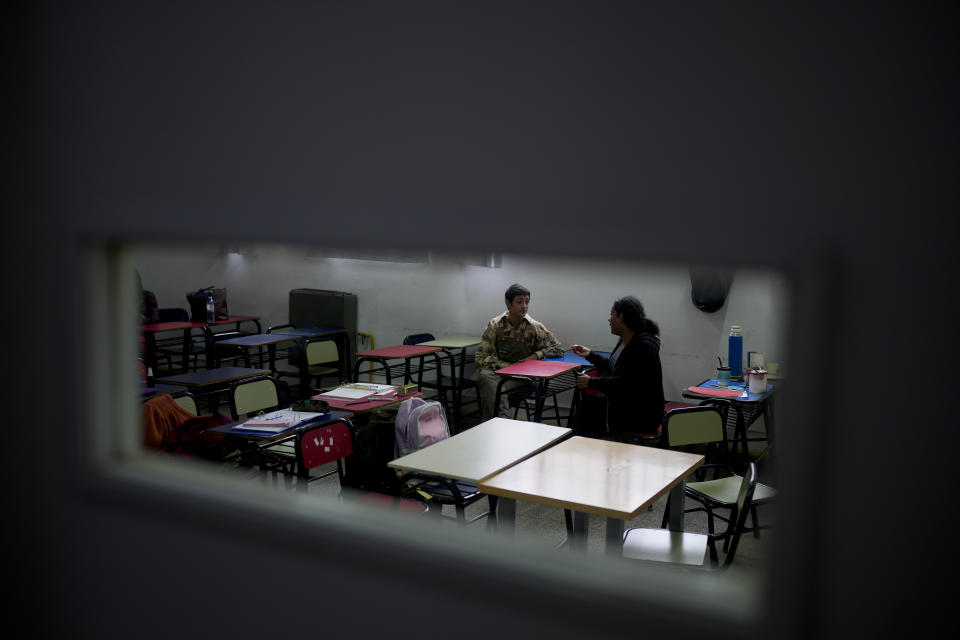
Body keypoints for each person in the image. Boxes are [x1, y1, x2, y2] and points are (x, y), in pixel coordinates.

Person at [570, 296, 664, 437]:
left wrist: (591, 382)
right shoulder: (625, 339)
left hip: (641, 414)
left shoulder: (643, 346)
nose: (609, 320)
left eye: (611, 315)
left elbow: (626, 383)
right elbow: (614, 367)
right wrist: (590, 355)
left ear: (621, 317)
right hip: (627, 405)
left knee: (588, 410)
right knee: (587, 407)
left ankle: (584, 447)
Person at [476, 283, 564, 421]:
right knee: (485, 376)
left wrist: (535, 356)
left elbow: (557, 349)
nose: (524, 306)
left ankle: (498, 424)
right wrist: (504, 366)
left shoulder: (534, 327)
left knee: (494, 391)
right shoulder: (495, 325)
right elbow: (482, 356)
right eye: (519, 302)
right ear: (508, 303)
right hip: (499, 373)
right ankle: (503, 422)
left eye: (527, 302)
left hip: (524, 378)